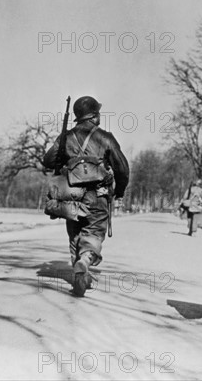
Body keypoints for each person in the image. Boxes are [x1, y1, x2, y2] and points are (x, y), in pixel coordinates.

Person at [43, 96, 130, 297]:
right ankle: (84, 262)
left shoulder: (66, 137)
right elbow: (122, 169)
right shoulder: (105, 138)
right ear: (94, 116)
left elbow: (48, 160)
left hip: (71, 196)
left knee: (75, 235)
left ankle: (80, 274)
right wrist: (120, 190)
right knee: (93, 234)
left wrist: (65, 155)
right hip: (97, 196)